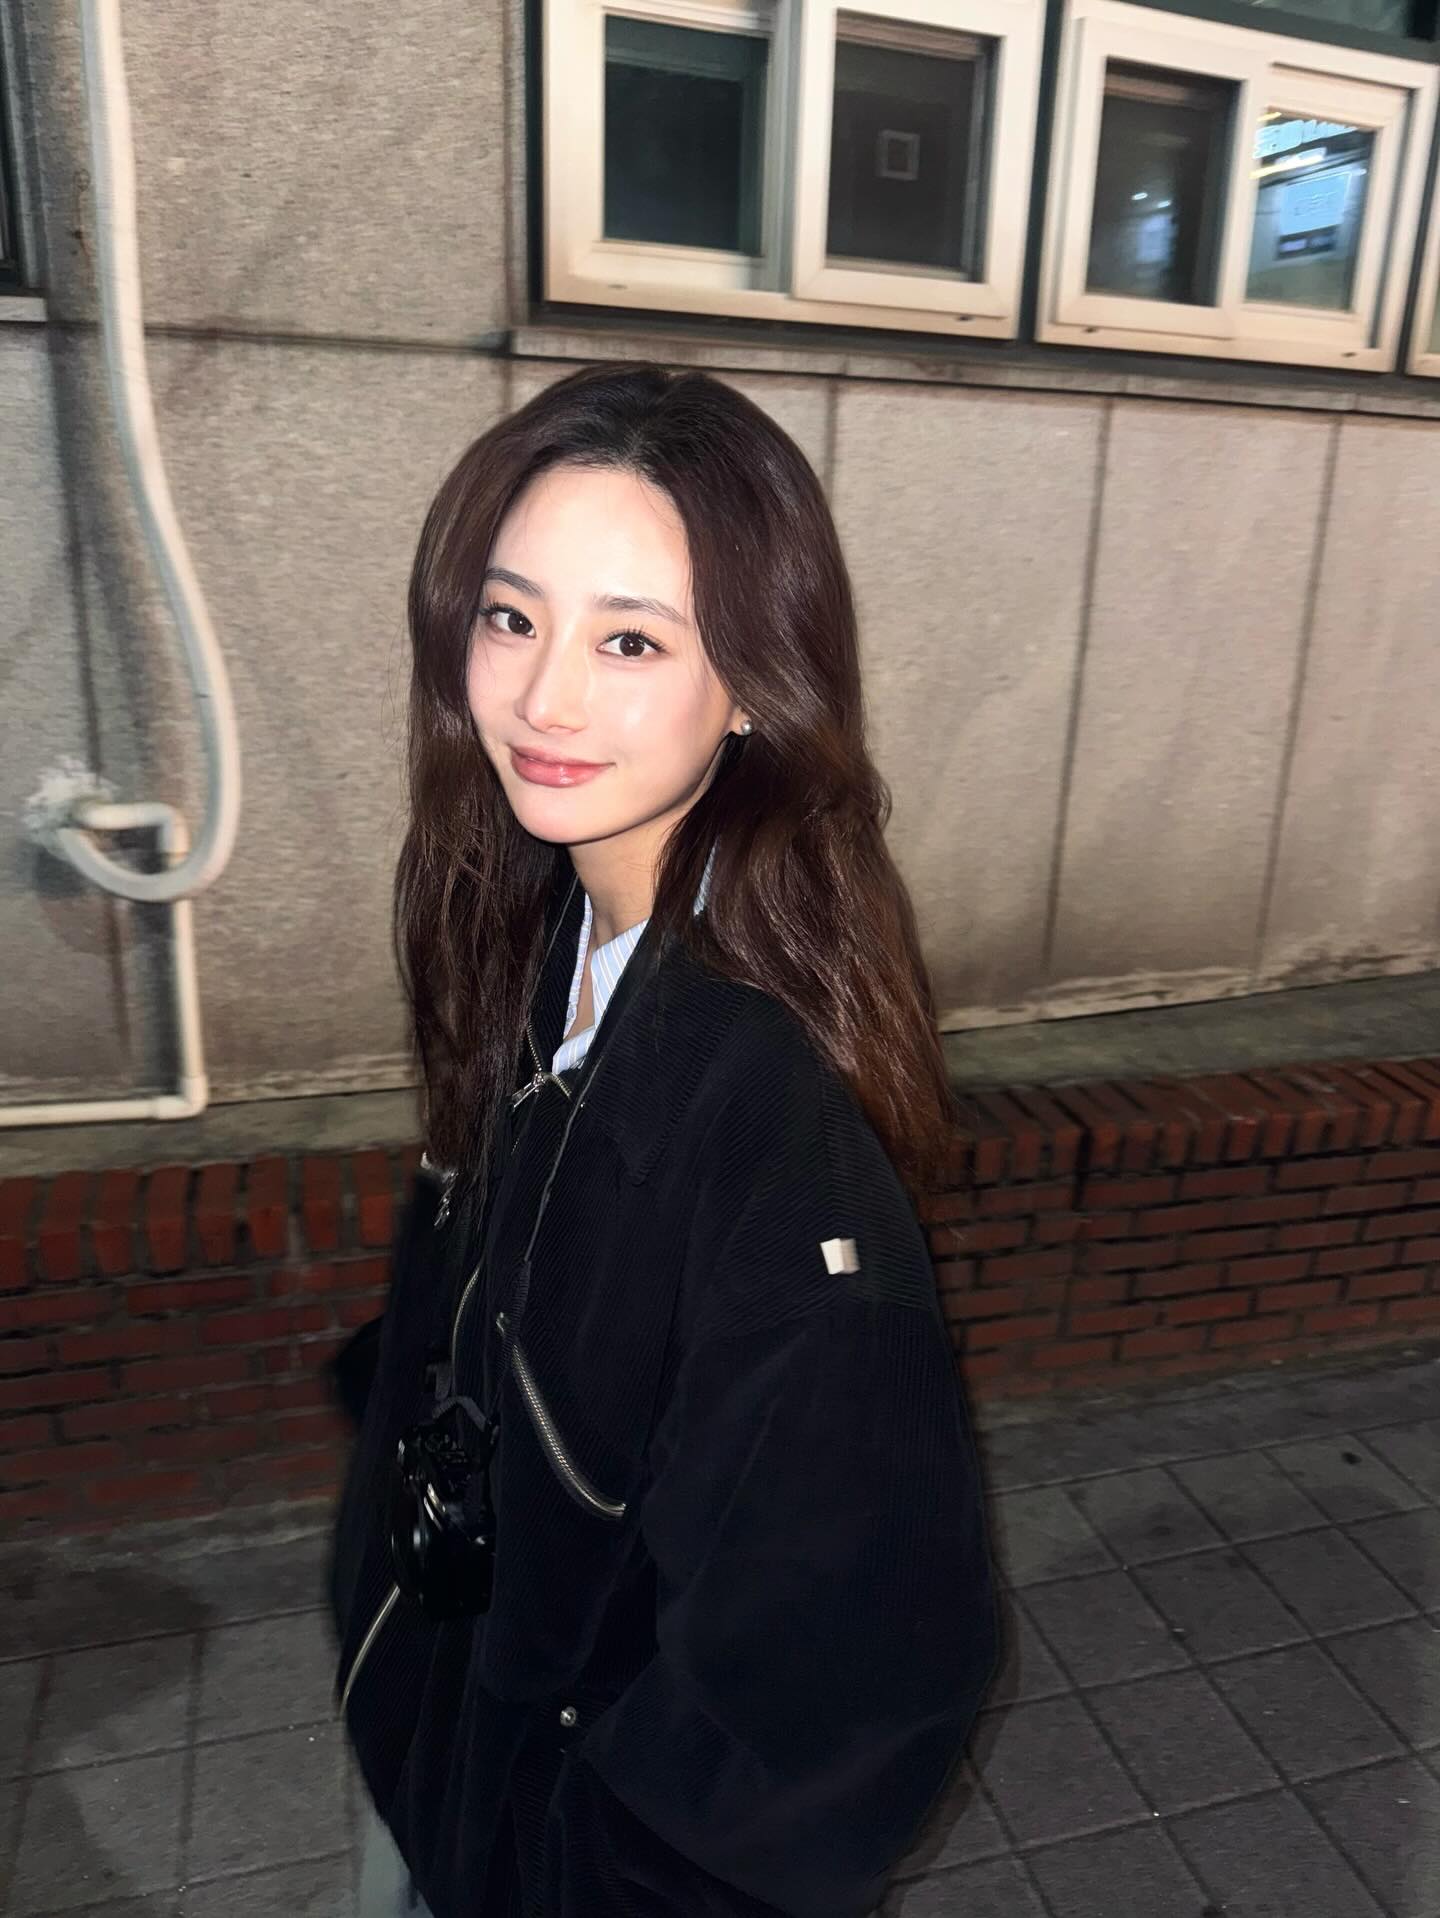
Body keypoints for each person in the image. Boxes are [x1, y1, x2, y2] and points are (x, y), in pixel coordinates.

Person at [328, 362, 997, 1918]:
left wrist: (567, 1864)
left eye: (630, 639)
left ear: (754, 681)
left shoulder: (771, 1142)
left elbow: (845, 1691)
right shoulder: (541, 928)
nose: (545, 698)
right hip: (452, 1750)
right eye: (512, 619)